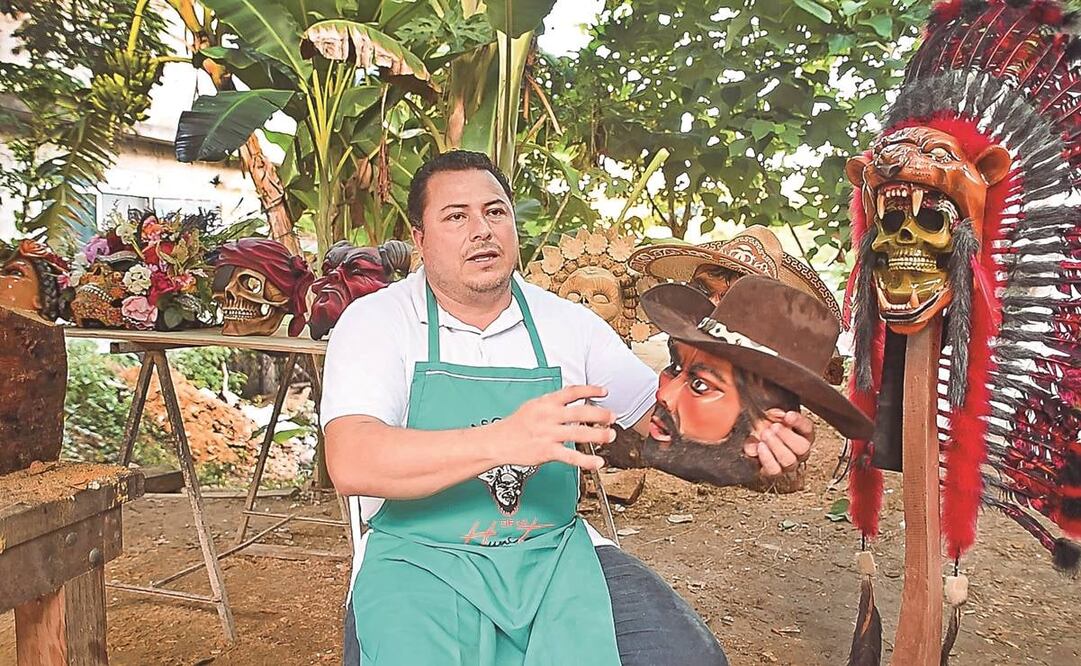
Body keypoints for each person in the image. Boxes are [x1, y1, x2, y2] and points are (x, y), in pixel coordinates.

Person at [321, 150, 817, 665]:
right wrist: (503, 440)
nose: (482, 230)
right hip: (420, 562)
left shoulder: (567, 325)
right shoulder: (377, 322)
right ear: (420, 240)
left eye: (495, 212)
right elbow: (353, 459)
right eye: (455, 216)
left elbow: (661, 426)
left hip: (553, 556)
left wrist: (750, 441)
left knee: (685, 658)